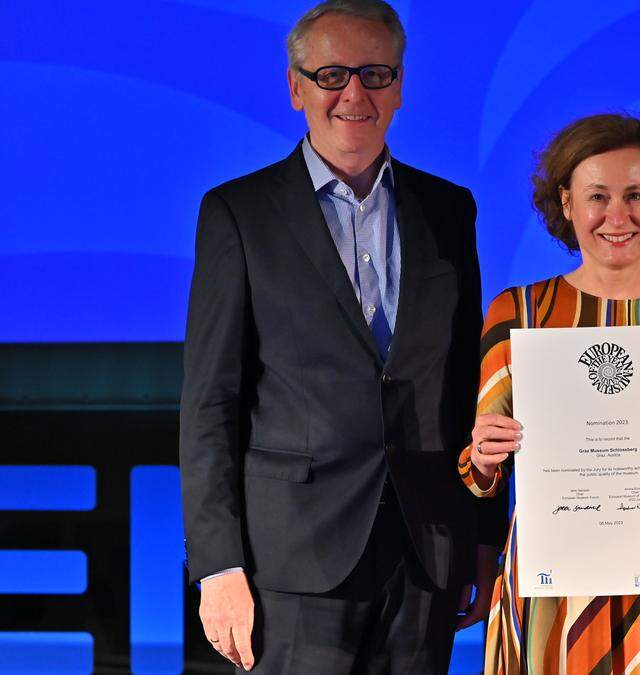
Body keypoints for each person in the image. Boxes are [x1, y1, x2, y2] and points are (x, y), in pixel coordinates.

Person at [179, 1, 504, 671]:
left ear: (401, 87)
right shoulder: (238, 214)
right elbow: (210, 401)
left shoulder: (449, 209)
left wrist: (483, 536)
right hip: (293, 561)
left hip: (427, 550)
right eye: (331, 74)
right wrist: (217, 564)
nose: (354, 92)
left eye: (375, 73)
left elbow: (471, 385)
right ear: (297, 88)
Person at [459, 113, 640, 674]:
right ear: (566, 203)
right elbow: (478, 477)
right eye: (598, 196)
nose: (618, 216)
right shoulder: (517, 314)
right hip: (550, 594)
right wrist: (485, 457)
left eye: (635, 194)